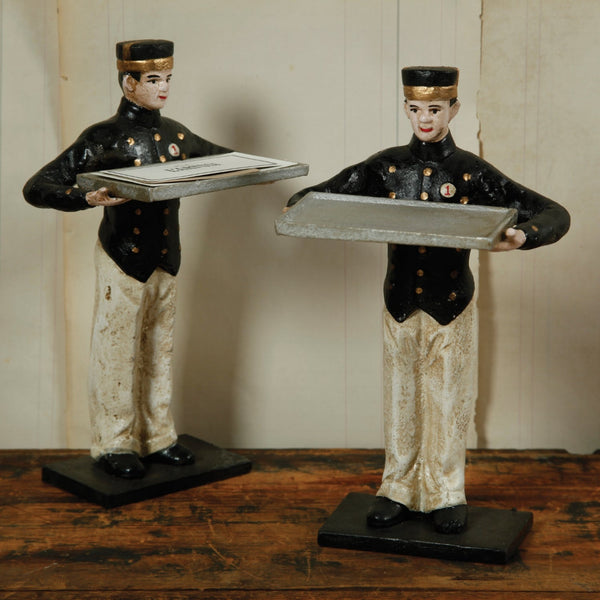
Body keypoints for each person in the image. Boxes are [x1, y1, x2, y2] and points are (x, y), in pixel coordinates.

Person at [287, 66, 570, 533]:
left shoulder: (471, 172)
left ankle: (445, 491)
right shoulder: (387, 167)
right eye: (416, 109)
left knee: (447, 398)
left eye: (435, 109)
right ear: (405, 108)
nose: (425, 119)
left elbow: (553, 212)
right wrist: (300, 203)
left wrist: (525, 235)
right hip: (398, 302)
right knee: (400, 396)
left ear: (453, 110)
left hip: (450, 305)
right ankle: (396, 487)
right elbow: (326, 192)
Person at [24, 39, 231, 479]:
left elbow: (225, 160)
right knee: (116, 350)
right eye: (153, 80)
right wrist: (85, 196)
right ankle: (114, 442)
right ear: (129, 83)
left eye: (167, 79)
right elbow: (38, 187)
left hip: (166, 259)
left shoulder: (176, 134)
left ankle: (157, 436)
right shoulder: (102, 137)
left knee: (159, 349)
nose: (164, 88)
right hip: (123, 258)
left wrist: (262, 166)